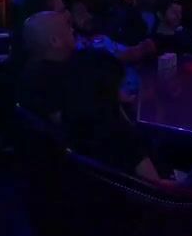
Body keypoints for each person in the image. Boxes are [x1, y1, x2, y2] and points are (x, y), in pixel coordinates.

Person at [62, 49, 172, 186]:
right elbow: (156, 188)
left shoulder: (69, 121)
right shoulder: (122, 136)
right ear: (108, 90)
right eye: (119, 85)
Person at [18, 10, 77, 121]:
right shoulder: (43, 79)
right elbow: (61, 120)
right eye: (67, 27)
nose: (72, 30)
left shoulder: (61, 65)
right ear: (55, 41)